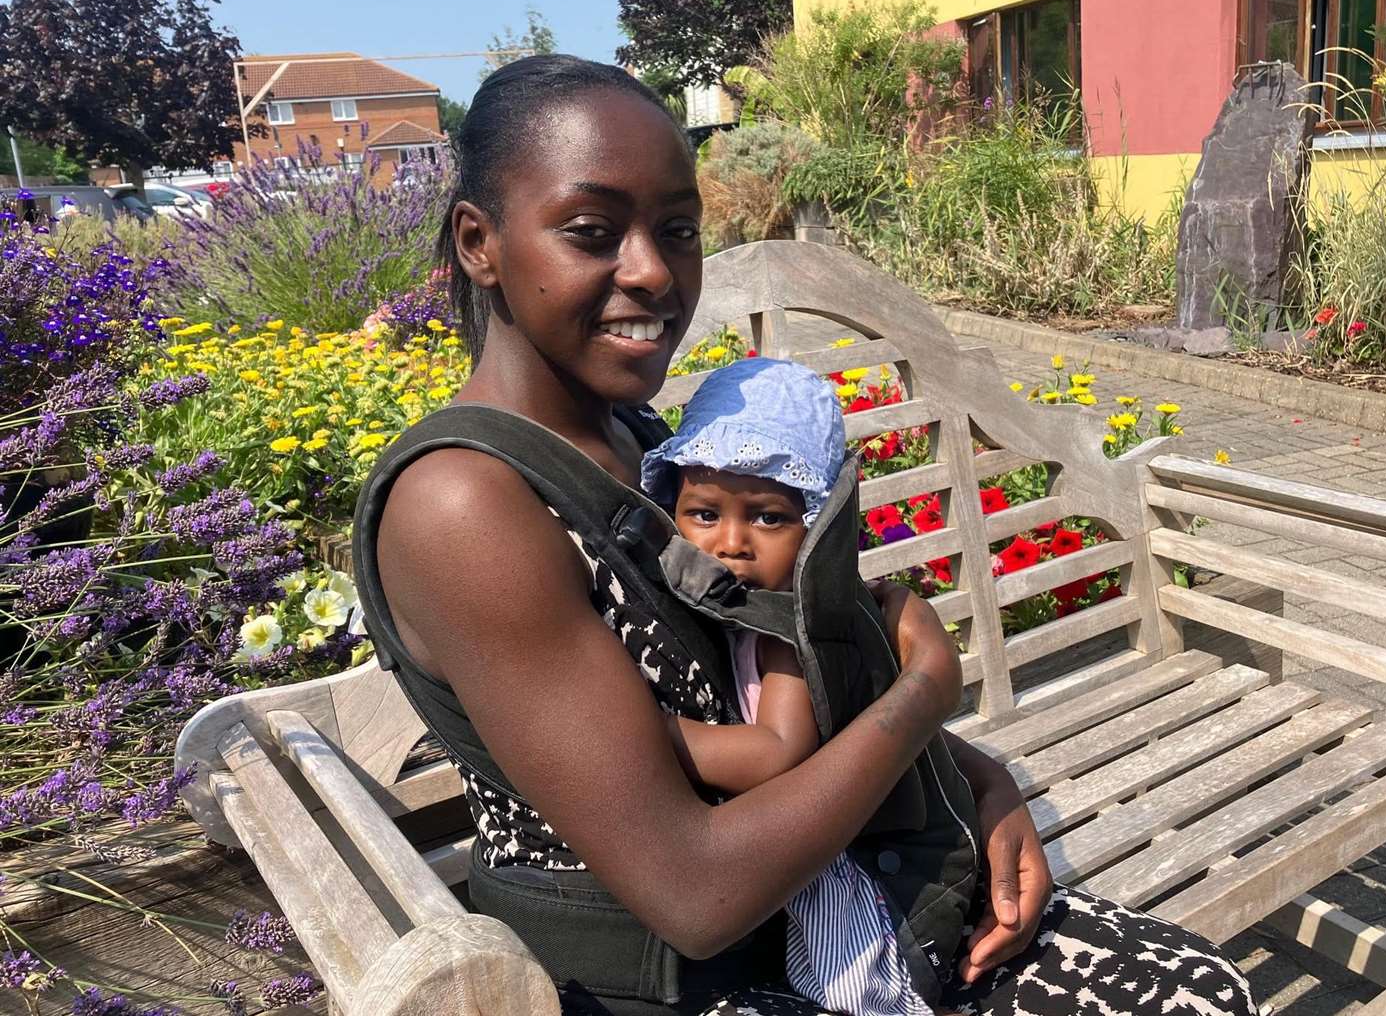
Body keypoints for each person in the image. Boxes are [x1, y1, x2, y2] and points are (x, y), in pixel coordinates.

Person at [358, 54, 1260, 1016]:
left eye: (678, 231)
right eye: (592, 232)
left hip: (809, 912)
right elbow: (692, 893)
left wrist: (979, 781)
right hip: (673, 981)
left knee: (1201, 987)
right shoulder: (465, 504)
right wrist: (923, 696)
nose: (654, 271)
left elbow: (768, 680)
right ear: (478, 242)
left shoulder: (645, 446)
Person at [642, 355, 963, 1016]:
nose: (730, 544)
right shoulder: (744, 609)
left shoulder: (794, 630)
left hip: (851, 871)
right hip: (798, 847)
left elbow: (777, 754)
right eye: (703, 514)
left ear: (815, 528)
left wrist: (651, 734)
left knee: (859, 992)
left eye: (767, 519)